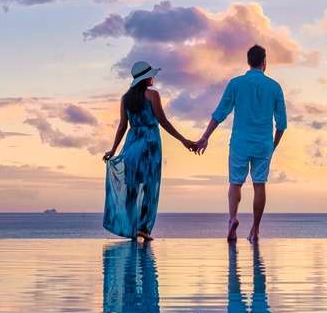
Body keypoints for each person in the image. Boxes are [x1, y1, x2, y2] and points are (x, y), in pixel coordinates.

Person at [194, 45, 287, 241]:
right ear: (264, 62)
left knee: (235, 183)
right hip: (263, 144)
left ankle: (233, 219)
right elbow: (282, 124)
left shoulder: (236, 84)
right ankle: (255, 229)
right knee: (259, 185)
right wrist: (274, 145)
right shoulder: (275, 87)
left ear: (248, 61)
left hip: (240, 143)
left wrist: (205, 137)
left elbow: (220, 113)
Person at [103, 61, 196, 241]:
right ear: (146, 78)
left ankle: (131, 227)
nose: (153, 78)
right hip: (150, 145)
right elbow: (163, 121)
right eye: (151, 76)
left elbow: (122, 126)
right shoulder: (152, 95)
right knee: (149, 187)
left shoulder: (126, 98)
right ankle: (143, 229)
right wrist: (183, 140)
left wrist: (113, 149)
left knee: (132, 188)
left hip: (131, 146)